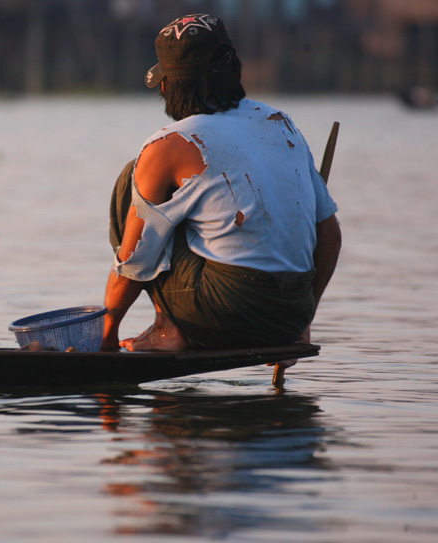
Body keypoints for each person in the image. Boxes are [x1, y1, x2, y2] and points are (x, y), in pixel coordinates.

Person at [101, 14, 342, 373]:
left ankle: (167, 329)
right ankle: (278, 324)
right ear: (234, 72)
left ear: (167, 86)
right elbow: (330, 236)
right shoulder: (281, 123)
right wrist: (301, 323)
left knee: (131, 180)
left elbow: (136, 258)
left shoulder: (169, 145)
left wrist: (106, 337)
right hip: (290, 314)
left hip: (224, 312)